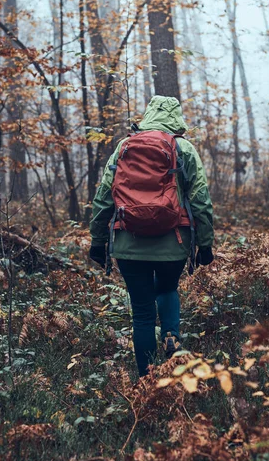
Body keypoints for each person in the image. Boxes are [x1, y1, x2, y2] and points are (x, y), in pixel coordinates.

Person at [89, 95, 214, 377]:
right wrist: (205, 244)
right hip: (174, 244)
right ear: (176, 118)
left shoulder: (124, 147)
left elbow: (103, 198)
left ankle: (147, 378)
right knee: (168, 288)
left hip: (128, 244)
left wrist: (98, 241)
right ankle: (171, 334)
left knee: (143, 311)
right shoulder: (183, 149)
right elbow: (201, 200)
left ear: (148, 115)